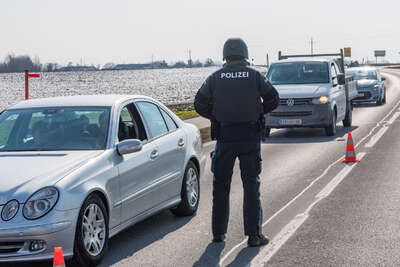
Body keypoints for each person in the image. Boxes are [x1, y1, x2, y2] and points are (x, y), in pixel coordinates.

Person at [194, 38, 279, 247]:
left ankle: (218, 234)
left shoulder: (215, 78)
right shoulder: (254, 76)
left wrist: (215, 116)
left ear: (225, 56)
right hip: (250, 137)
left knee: (221, 186)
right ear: (245, 54)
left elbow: (198, 103)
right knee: (251, 186)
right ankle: (253, 235)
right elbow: (274, 98)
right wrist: (259, 111)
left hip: (225, 138)